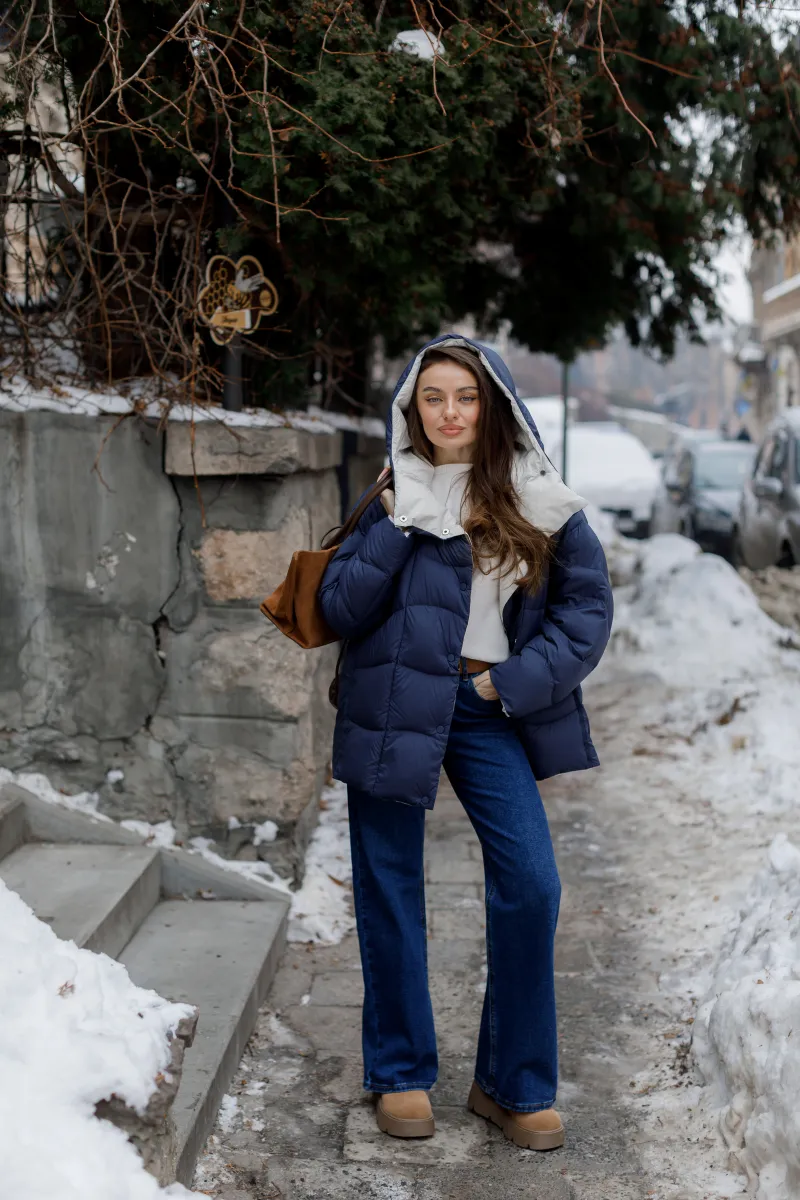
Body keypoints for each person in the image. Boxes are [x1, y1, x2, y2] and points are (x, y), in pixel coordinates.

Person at [319, 335, 613, 1151]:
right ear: (412, 409)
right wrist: (398, 520)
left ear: (494, 406)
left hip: (486, 706)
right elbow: (340, 607)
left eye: (467, 397)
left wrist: (507, 684)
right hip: (392, 703)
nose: (450, 412)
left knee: (532, 883)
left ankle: (510, 1085)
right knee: (389, 884)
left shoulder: (538, 496)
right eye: (434, 397)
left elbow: (586, 612)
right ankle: (401, 1073)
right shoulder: (391, 494)